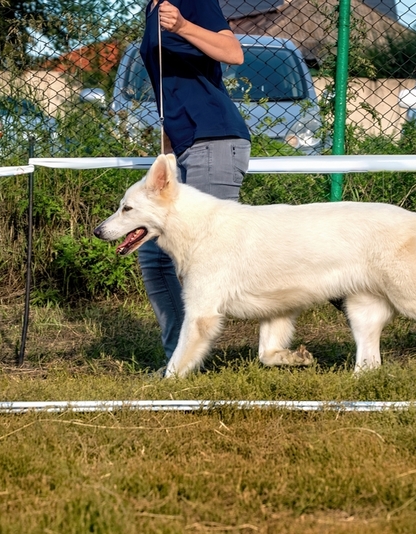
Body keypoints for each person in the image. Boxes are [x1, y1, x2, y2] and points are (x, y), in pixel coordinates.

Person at [138, 0, 252, 362]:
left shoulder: (193, 1)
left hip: (215, 140)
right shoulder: (151, 8)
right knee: (155, 259)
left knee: (205, 259)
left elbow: (233, 54)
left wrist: (183, 25)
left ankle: (183, 364)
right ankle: (179, 357)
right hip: (184, 148)